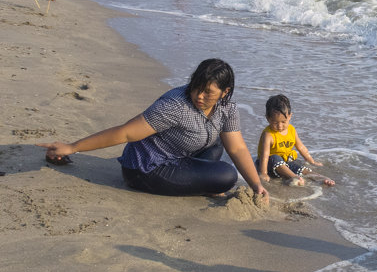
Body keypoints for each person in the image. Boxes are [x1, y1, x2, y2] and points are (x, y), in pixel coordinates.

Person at [38, 59, 268, 201]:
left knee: (218, 142)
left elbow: (237, 147)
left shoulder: (227, 108)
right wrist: (73, 147)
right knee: (226, 175)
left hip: (180, 155)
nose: (199, 96)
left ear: (224, 92)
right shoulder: (175, 105)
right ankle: (204, 184)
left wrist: (256, 185)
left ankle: (201, 182)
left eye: (208, 92)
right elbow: (126, 133)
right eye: (196, 88)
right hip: (147, 168)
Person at [255, 94, 335, 187]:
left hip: (286, 163)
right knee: (275, 158)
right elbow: (265, 156)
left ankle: (321, 178)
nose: (280, 126)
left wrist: (311, 161)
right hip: (270, 164)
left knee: (301, 168)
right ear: (268, 118)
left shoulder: (291, 130)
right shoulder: (268, 134)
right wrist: (263, 173)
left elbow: (301, 147)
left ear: (290, 116)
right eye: (275, 122)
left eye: (283, 122)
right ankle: (293, 177)